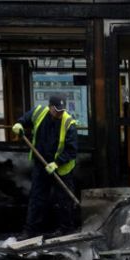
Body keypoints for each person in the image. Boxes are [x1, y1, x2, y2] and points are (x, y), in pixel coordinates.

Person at [12, 94, 79, 238]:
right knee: (37, 198)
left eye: (62, 110)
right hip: (41, 164)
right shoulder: (39, 112)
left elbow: (71, 150)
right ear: (49, 107)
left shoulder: (69, 123)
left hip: (61, 168)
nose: (60, 113)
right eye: (56, 110)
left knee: (64, 200)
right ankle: (30, 231)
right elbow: (25, 119)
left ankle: (66, 230)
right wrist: (19, 124)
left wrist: (57, 163)